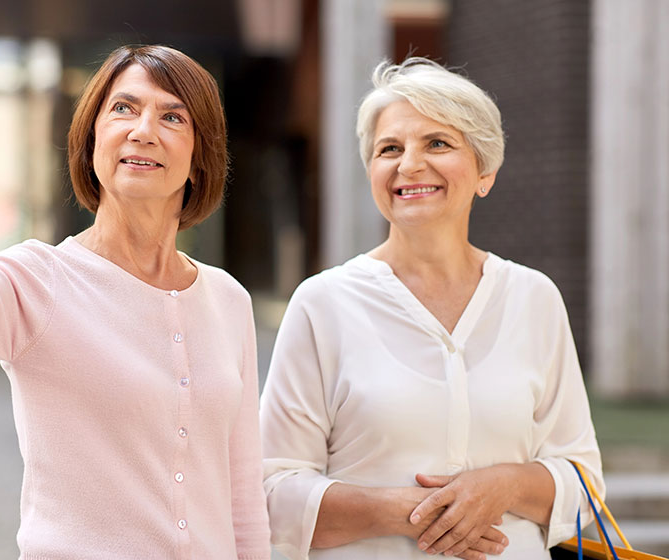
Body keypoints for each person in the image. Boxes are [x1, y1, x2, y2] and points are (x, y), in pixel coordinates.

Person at [0, 1, 271, 558]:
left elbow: (243, 498)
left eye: (172, 116)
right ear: (90, 141)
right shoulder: (41, 281)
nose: (143, 130)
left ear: (199, 157)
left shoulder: (228, 300)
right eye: (123, 109)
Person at [259, 57, 604, 560]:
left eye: (437, 143)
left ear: (484, 171)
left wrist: (504, 485)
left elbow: (584, 482)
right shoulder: (323, 303)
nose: (410, 164)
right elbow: (272, 490)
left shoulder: (535, 298)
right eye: (390, 149)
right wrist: (407, 510)